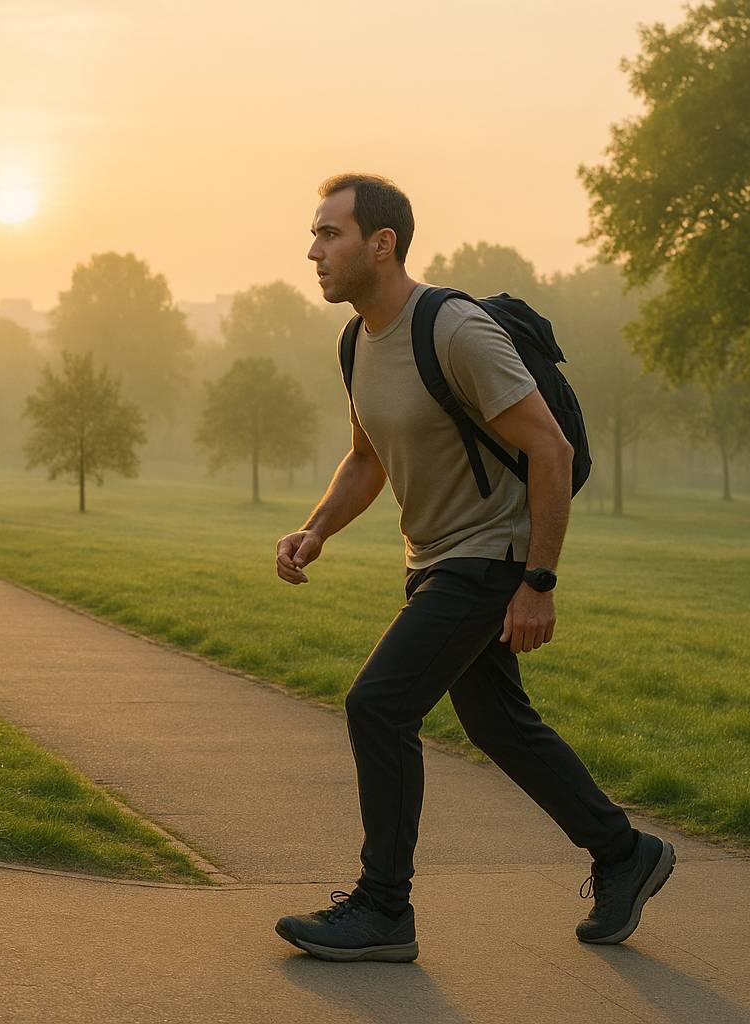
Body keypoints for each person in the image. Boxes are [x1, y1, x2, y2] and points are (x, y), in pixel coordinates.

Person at [272, 174, 673, 964]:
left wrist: (538, 580)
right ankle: (623, 853)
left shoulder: (452, 329)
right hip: (435, 560)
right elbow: (365, 459)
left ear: (381, 244)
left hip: (490, 556)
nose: (313, 251)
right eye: (314, 235)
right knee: (497, 722)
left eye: (330, 234)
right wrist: (315, 528)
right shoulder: (357, 342)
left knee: (378, 706)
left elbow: (549, 448)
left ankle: (385, 909)